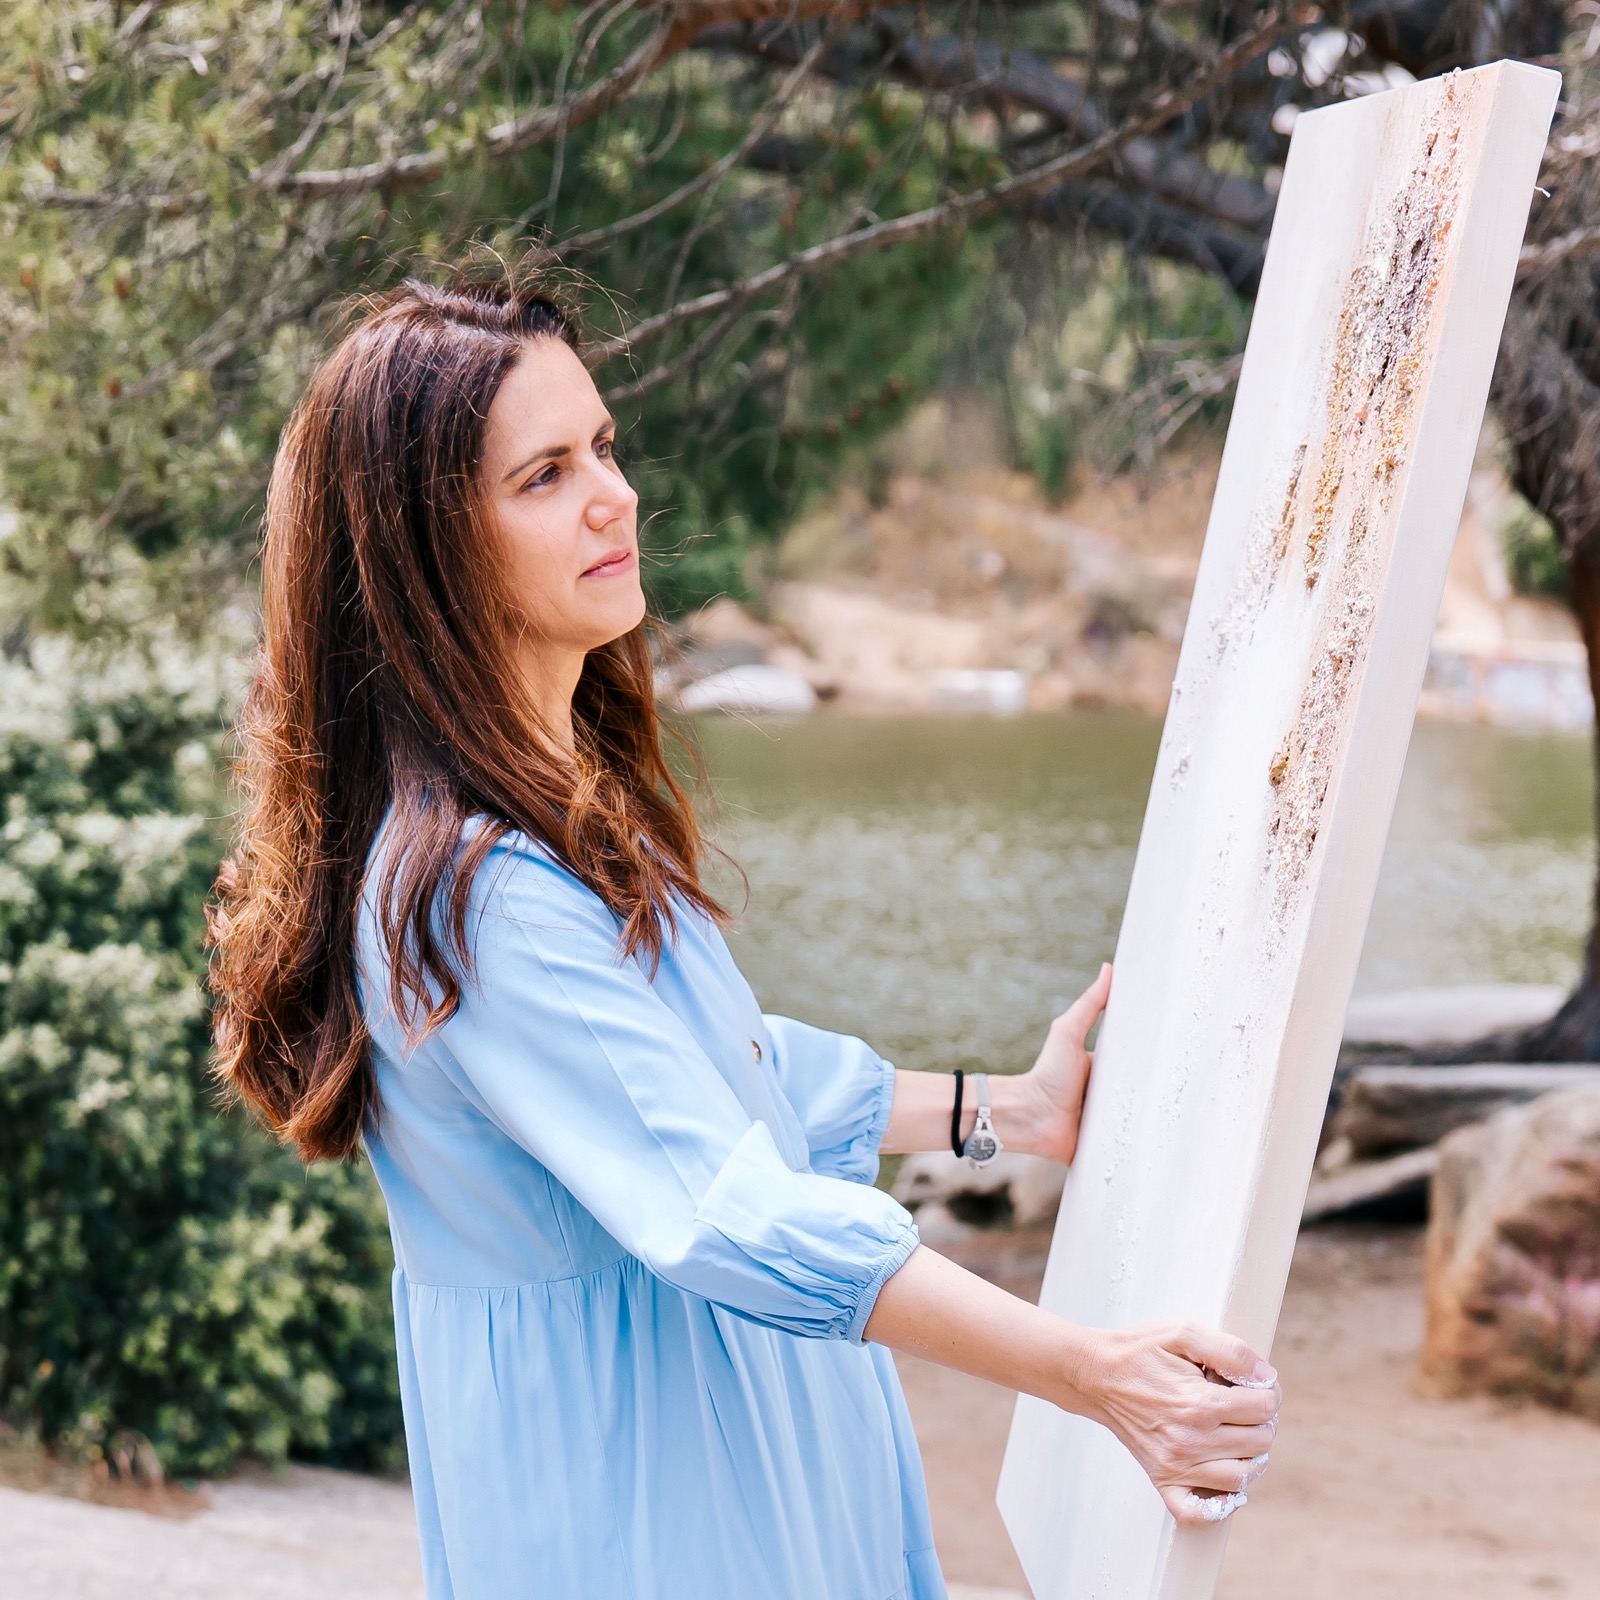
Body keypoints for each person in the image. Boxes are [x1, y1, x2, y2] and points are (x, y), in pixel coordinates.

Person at [209, 266, 1281, 1600]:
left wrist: (1007, 1110)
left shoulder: (544, 817)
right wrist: (1092, 1374)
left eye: (600, 446)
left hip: (737, 1455)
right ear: (429, 553)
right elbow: (731, 1210)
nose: (614, 493)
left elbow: (730, 1075)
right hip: (653, 1505)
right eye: (541, 476)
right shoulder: (470, 896)